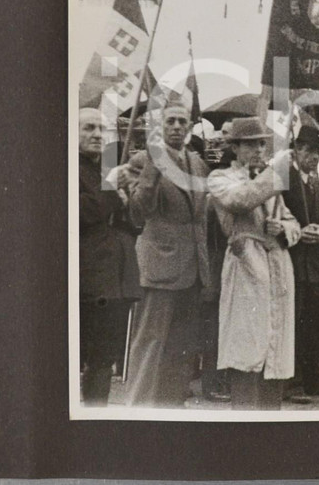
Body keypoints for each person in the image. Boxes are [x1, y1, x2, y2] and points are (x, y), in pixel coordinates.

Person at [207, 117, 301, 409]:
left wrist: (283, 230)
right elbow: (239, 201)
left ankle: (271, 417)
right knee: (247, 346)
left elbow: (292, 220)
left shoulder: (266, 181)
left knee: (275, 348)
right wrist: (273, 173)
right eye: (250, 144)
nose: (259, 149)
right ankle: (245, 418)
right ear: (234, 147)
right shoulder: (221, 178)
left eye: (262, 143)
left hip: (276, 264)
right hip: (246, 265)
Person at [124, 103, 212, 408]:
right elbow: (139, 211)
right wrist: (154, 164)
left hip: (192, 270)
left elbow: (199, 217)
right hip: (160, 266)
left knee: (182, 348)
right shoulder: (143, 160)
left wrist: (205, 267)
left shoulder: (198, 164)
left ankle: (171, 408)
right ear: (159, 127)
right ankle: (138, 409)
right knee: (150, 344)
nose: (176, 127)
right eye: (170, 121)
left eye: (181, 122)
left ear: (189, 128)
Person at [78, 108, 142, 405]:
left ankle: (95, 412)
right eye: (88, 128)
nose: (96, 135)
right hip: (85, 279)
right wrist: (113, 192)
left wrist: (127, 196)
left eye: (102, 130)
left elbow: (131, 223)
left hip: (114, 279)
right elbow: (80, 212)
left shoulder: (106, 170)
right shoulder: (68, 168)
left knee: (103, 359)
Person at [281, 124, 319, 400]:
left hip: (315, 267)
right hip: (293, 263)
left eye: (317, 153)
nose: (313, 157)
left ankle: (318, 380)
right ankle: (291, 385)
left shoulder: (316, 182)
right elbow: (278, 214)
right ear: (297, 150)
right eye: (309, 151)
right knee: (294, 325)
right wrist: (296, 232)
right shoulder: (286, 178)